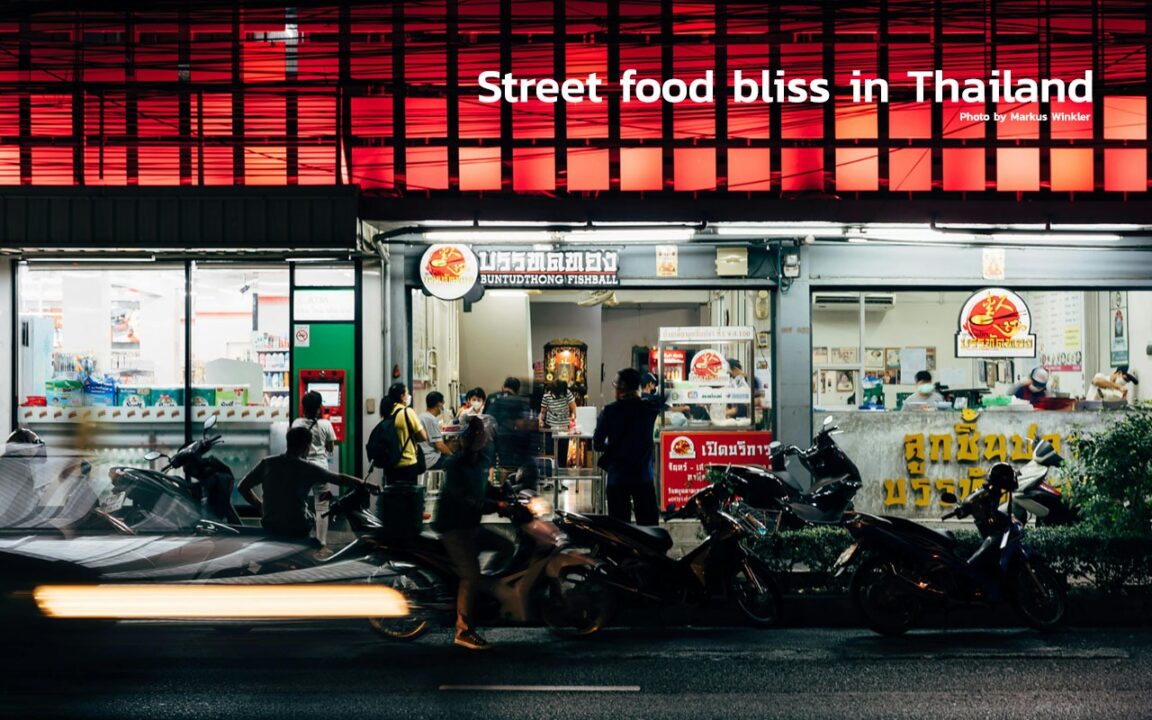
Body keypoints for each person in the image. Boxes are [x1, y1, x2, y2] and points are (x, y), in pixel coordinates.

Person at [432, 416, 498, 651]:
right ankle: (463, 629)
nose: (479, 437)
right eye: (475, 434)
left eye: (481, 433)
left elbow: (486, 487)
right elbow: (462, 496)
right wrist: (487, 505)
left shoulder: (483, 460)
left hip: (472, 526)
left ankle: (488, 592)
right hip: (454, 527)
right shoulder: (454, 464)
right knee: (470, 576)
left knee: (506, 546)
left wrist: (507, 494)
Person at [238, 425, 363, 541]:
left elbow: (242, 487)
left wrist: (261, 507)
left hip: (270, 526)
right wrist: (363, 483)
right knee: (312, 518)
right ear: (307, 446)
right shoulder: (308, 468)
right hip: (297, 528)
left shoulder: (267, 463)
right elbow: (338, 478)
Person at [593, 368, 662, 526]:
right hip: (643, 477)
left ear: (621, 387)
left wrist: (611, 447)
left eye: (616, 385)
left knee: (620, 530)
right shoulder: (649, 408)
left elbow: (597, 443)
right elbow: (665, 396)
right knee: (649, 528)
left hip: (618, 477)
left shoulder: (609, 412)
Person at [291, 391, 338, 553]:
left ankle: (299, 540)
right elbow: (330, 448)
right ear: (319, 407)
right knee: (323, 506)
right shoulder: (326, 425)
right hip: (320, 471)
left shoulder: (296, 423)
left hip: (301, 469)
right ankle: (321, 543)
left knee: (299, 504)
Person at [485, 377, 538, 489]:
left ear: (503, 386)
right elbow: (521, 424)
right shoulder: (517, 401)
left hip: (491, 441)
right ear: (518, 390)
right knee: (526, 467)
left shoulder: (492, 398)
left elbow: (485, 419)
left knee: (496, 469)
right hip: (509, 441)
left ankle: (493, 490)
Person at [381, 382, 428, 486]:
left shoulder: (388, 411)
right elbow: (423, 436)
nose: (409, 396)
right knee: (408, 498)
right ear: (402, 396)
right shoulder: (407, 412)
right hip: (408, 463)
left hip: (391, 464)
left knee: (394, 498)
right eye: (407, 393)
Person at [539, 380, 577, 468]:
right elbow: (542, 412)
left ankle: (562, 476)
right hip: (550, 427)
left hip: (564, 427)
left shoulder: (567, 393)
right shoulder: (547, 396)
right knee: (551, 454)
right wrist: (540, 420)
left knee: (562, 454)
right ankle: (551, 476)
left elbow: (574, 408)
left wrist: (574, 419)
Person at [419, 391, 454, 472]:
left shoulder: (422, 416)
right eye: (443, 404)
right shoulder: (431, 419)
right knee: (456, 463)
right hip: (431, 460)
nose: (443, 407)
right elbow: (439, 445)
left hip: (423, 458)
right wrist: (452, 455)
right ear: (439, 404)